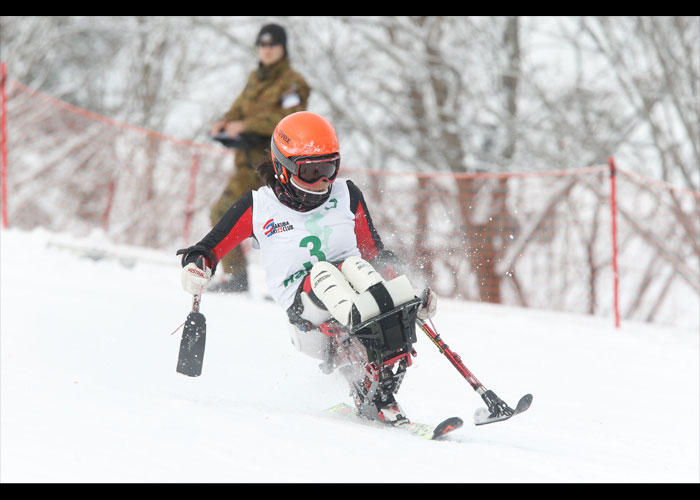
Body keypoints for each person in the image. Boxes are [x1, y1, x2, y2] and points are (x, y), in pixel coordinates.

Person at [179, 112, 437, 425]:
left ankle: (377, 373)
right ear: (283, 169)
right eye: (311, 172)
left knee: (355, 265)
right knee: (324, 273)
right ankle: (366, 329)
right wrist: (197, 266)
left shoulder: (347, 195)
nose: (322, 182)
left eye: (329, 168)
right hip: (305, 312)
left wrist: (406, 291)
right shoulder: (259, 207)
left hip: (354, 290)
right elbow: (208, 248)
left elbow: (374, 254)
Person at [208, 23, 311, 293]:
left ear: (282, 48)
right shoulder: (255, 79)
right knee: (222, 212)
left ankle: (299, 284)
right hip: (246, 166)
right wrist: (224, 123)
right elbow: (237, 110)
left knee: (286, 227)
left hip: (277, 168)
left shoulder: (292, 83)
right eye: (262, 45)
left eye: (272, 45)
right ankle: (237, 277)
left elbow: (291, 120)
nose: (266, 50)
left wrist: (247, 125)